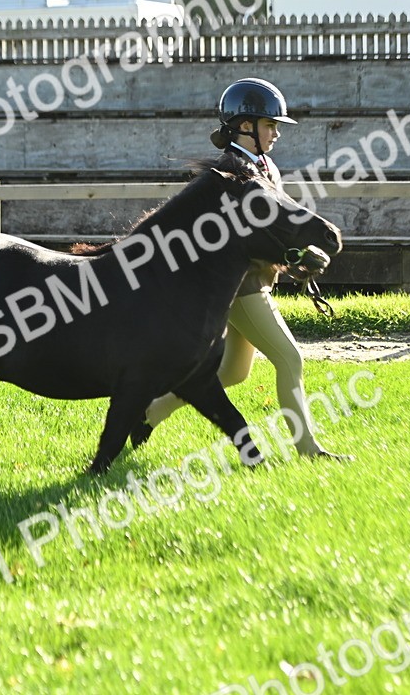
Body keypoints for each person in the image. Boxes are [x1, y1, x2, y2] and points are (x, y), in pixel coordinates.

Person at [132, 77, 350, 461]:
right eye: (270, 125)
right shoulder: (232, 174)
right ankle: (308, 449)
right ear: (244, 127)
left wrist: (295, 259)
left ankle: (149, 412)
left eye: (277, 126)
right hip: (244, 288)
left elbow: (274, 231)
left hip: (256, 281)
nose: (277, 133)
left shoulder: (264, 167)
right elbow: (241, 241)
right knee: (290, 358)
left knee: (234, 373)